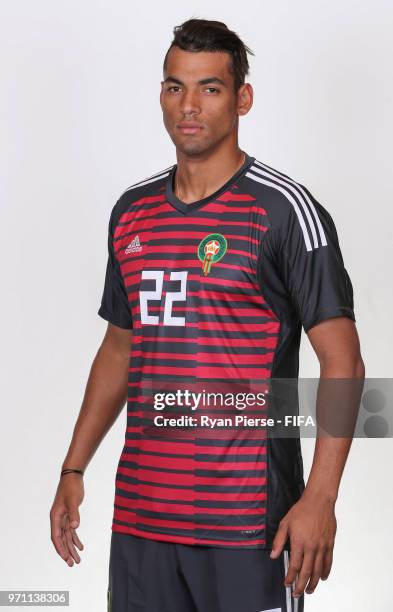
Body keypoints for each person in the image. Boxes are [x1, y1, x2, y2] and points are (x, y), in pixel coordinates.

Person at [49, 17, 365, 612]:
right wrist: (73, 468)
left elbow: (343, 358)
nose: (188, 106)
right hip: (142, 525)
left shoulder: (284, 212)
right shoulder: (132, 212)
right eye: (175, 87)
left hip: (250, 530)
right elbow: (120, 347)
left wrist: (321, 497)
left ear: (242, 98)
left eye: (209, 88)